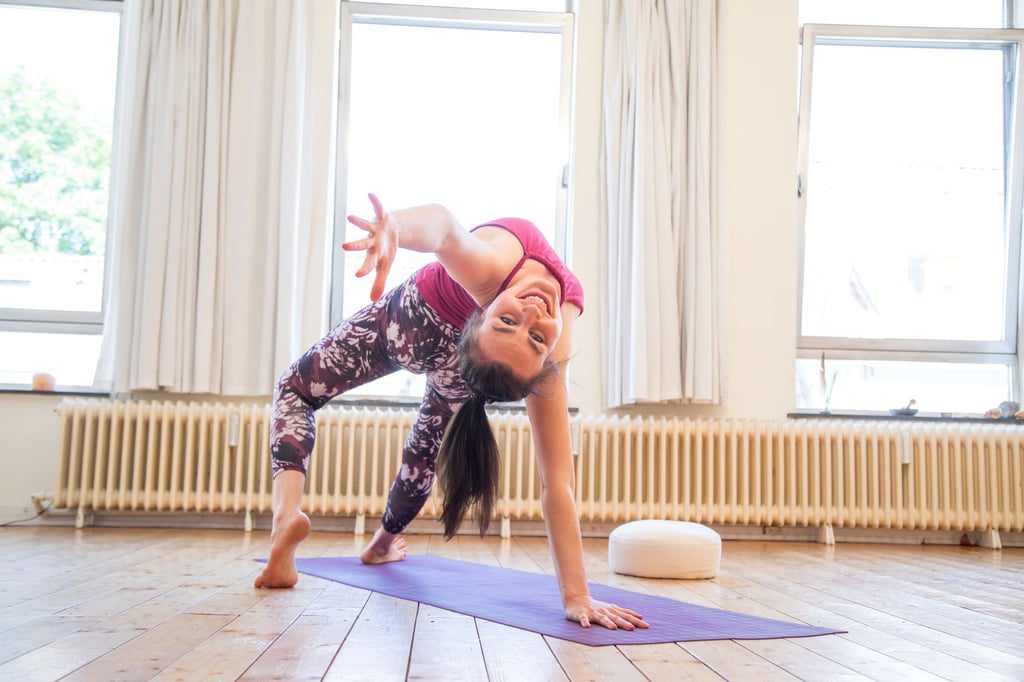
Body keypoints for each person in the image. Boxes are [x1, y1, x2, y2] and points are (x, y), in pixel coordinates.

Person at [254, 194, 647, 631]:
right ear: (478, 315)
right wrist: (395, 229)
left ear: (540, 368)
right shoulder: (500, 278)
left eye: (537, 339)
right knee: (423, 450)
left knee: (296, 389)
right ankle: (383, 541)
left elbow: (446, 229)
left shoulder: (539, 348)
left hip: (409, 326)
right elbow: (440, 227)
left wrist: (580, 598)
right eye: (508, 321)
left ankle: (286, 517)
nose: (533, 314)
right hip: (447, 355)